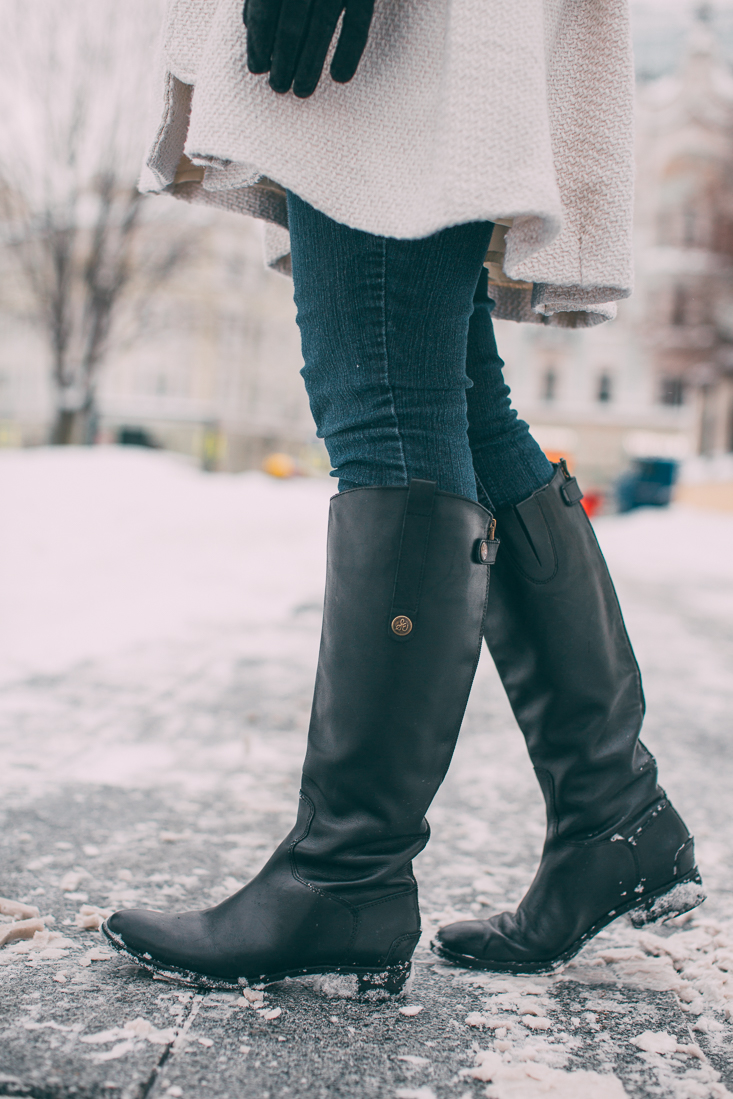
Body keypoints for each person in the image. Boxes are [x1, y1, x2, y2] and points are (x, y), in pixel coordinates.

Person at [103, 0, 704, 991]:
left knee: (385, 404)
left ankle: (346, 875)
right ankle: (612, 814)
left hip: (399, 37)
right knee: (455, 404)